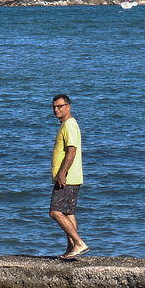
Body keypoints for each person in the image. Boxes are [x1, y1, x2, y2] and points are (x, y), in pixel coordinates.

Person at [50, 94, 88, 259]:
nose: (56, 110)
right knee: (68, 213)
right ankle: (72, 248)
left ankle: (79, 243)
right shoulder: (66, 125)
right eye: (54, 107)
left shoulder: (70, 125)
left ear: (68, 106)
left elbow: (71, 152)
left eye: (60, 106)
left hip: (67, 177)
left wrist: (61, 173)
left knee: (55, 212)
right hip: (72, 177)